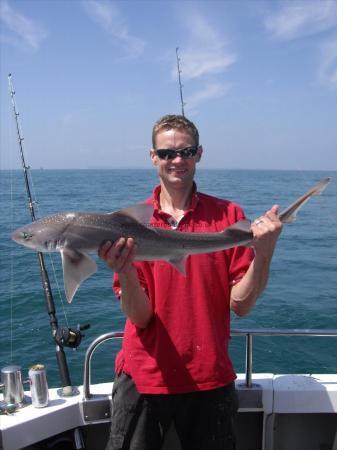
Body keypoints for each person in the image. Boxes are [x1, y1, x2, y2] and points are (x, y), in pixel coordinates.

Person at [99, 114, 282, 450]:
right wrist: (125, 268)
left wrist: (264, 254)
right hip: (144, 376)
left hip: (209, 376)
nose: (177, 160)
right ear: (153, 157)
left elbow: (240, 305)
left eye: (186, 151)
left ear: (200, 154)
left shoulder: (228, 217)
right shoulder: (128, 223)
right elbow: (141, 318)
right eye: (167, 153)